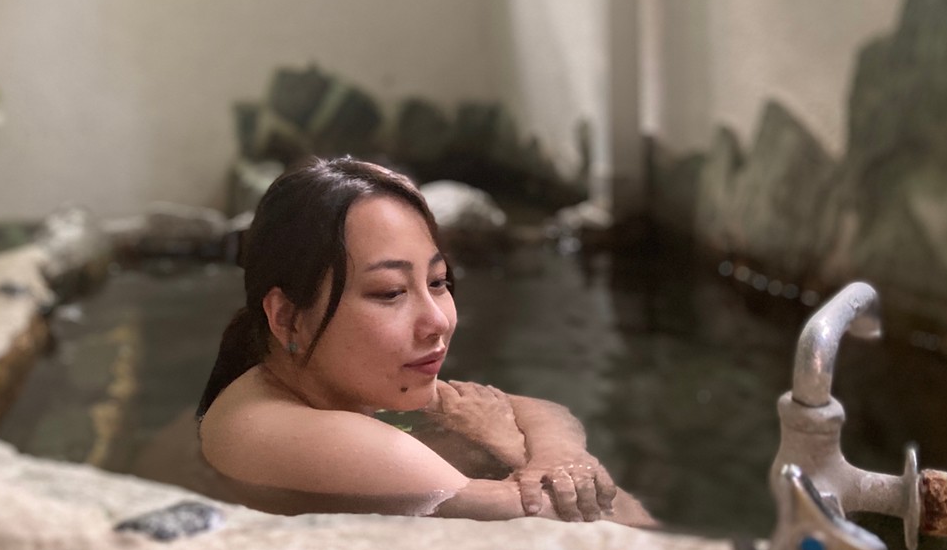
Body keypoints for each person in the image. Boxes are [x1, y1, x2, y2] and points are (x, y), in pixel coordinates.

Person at [193, 156, 654, 524]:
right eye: (390, 292)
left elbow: (540, 410)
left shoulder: (334, 379)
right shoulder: (318, 435)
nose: (437, 321)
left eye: (437, 282)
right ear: (288, 317)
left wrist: (559, 452)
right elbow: (607, 522)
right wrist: (513, 447)